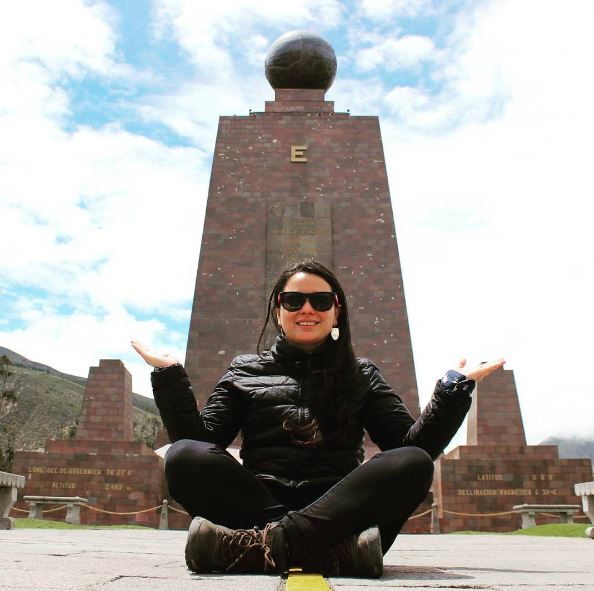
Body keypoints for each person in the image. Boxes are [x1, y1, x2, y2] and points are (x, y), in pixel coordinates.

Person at [132, 259, 504, 577]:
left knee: (412, 462)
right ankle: (337, 554)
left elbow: (408, 446)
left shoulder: (362, 374)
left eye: (321, 300)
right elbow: (202, 441)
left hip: (341, 508)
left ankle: (253, 547)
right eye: (294, 300)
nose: (307, 309)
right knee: (184, 456)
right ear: (278, 310)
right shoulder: (244, 371)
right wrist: (170, 378)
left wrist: (453, 392)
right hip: (257, 504)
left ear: (336, 310)